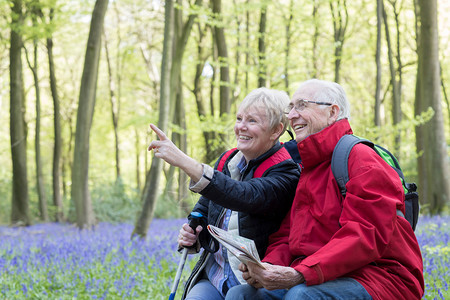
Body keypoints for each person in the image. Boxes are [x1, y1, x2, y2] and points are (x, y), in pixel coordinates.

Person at [225, 79, 424, 300]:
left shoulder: (362, 160)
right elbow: (289, 235)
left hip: (382, 277)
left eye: (301, 105)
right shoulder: (310, 166)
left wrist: (300, 273)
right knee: (241, 294)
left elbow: (364, 235)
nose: (291, 115)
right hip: (325, 275)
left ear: (332, 112)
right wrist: (267, 267)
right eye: (290, 107)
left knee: (301, 296)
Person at [148, 88, 301, 300]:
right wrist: (194, 236)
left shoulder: (286, 171)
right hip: (216, 275)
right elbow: (204, 208)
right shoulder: (227, 160)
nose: (241, 127)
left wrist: (183, 161)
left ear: (276, 131)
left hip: (251, 283)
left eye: (252, 121)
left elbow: (243, 195)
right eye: (239, 118)